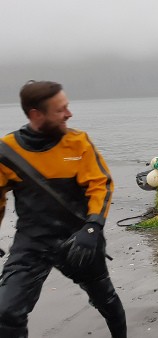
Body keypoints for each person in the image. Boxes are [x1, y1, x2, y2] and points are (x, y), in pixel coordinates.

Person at [0, 81, 127, 337]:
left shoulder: (78, 142)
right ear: (37, 114)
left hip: (79, 240)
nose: (69, 114)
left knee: (107, 300)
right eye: (61, 109)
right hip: (33, 242)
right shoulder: (7, 150)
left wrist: (93, 226)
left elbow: (100, 184)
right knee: (6, 312)